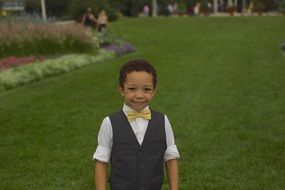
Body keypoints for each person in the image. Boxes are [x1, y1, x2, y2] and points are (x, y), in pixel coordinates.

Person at [93, 59, 180, 190]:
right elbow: (101, 162)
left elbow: (171, 158)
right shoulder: (109, 123)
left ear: (153, 91)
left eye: (146, 89)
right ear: (122, 89)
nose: (139, 95)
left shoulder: (163, 121)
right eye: (132, 89)